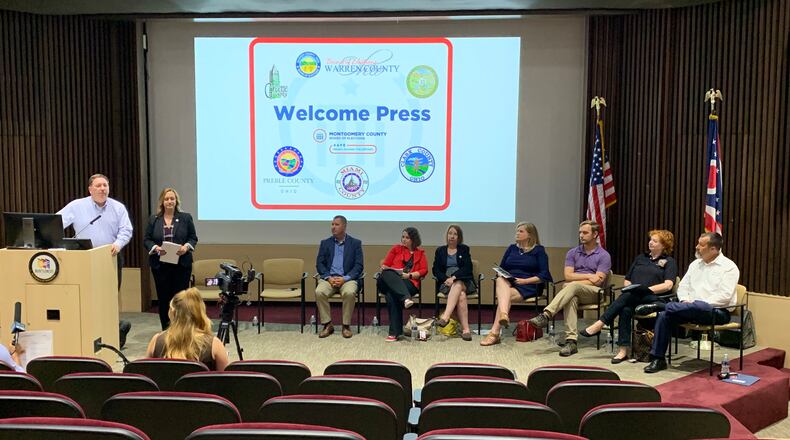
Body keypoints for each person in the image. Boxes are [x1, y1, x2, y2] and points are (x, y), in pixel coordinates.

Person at [643, 232, 739, 373]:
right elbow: (683, 286)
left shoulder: (729, 267)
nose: (697, 247)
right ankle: (658, 359)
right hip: (687, 308)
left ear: (713, 249)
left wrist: (695, 303)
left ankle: (661, 304)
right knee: (664, 316)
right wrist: (684, 300)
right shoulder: (695, 265)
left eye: (701, 245)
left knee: (701, 305)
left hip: (716, 312)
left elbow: (724, 297)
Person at [58, 173, 133, 347]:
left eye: (105, 185)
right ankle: (90, 332)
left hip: (110, 258)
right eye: (98, 186)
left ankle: (112, 332)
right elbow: (56, 223)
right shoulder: (77, 206)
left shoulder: (118, 207)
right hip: (84, 259)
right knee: (86, 298)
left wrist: (118, 243)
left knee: (109, 298)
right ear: (90, 189)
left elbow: (126, 230)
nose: (102, 189)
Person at [580, 230, 678, 363]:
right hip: (634, 297)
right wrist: (632, 288)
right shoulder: (640, 258)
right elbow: (627, 279)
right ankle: (623, 350)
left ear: (664, 245)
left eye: (655, 241)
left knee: (627, 298)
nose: (650, 242)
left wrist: (645, 290)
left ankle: (600, 323)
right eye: (650, 239)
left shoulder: (669, 261)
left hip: (654, 299)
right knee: (625, 309)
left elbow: (668, 285)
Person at [528, 220, 612, 356]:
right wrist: (589, 276)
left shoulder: (603, 255)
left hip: (595, 292)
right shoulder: (573, 253)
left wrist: (576, 281)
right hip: (575, 290)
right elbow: (567, 275)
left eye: (585, 233)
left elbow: (597, 282)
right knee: (571, 297)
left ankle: (547, 314)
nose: (581, 235)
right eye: (580, 232)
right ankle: (571, 341)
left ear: (595, 234)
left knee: (571, 286)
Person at [480, 222, 553, 346]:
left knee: (504, 298)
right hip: (510, 282)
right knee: (499, 279)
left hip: (529, 285)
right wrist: (501, 273)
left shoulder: (539, 250)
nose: (517, 233)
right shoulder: (512, 248)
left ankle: (494, 333)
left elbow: (544, 274)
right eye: (517, 231)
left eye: (521, 231)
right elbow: (502, 267)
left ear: (530, 235)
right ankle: (503, 315)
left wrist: (525, 281)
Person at [143, 187, 198, 330]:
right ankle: (166, 330)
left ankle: (182, 330)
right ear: (162, 201)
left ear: (176, 201)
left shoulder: (186, 218)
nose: (169, 201)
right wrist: (156, 248)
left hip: (181, 265)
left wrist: (186, 247)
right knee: (164, 299)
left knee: (180, 300)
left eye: (172, 198)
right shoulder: (154, 219)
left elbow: (193, 238)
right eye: (166, 199)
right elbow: (147, 240)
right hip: (160, 266)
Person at [145, 288, 229, 371]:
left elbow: (147, 376)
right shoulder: (214, 345)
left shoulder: (156, 341)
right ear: (201, 313)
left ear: (172, 313)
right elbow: (226, 381)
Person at [315, 215, 364, 339]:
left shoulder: (355, 243)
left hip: (347, 279)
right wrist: (328, 277)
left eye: (336, 224)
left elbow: (359, 266)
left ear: (344, 226)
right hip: (329, 278)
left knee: (349, 292)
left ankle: (346, 325)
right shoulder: (325, 243)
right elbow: (319, 264)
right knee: (319, 291)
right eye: (332, 224)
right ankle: (327, 324)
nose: (333, 227)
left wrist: (345, 278)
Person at [378, 227, 428, 342]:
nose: (404, 240)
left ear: (413, 240)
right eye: (403, 237)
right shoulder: (396, 249)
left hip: (408, 283)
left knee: (391, 294)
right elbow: (386, 265)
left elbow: (424, 270)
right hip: (388, 281)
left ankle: (394, 333)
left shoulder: (420, 253)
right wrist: (386, 268)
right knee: (387, 272)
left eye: (407, 237)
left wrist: (409, 275)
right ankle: (405, 298)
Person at [433, 225, 477, 341]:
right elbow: (436, 270)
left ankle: (446, 316)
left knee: (458, 284)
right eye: (450, 233)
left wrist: (454, 277)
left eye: (455, 234)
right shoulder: (440, 250)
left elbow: (468, 268)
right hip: (446, 283)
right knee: (461, 295)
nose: (452, 236)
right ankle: (466, 330)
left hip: (465, 281)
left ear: (459, 237)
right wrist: (446, 279)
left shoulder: (464, 249)